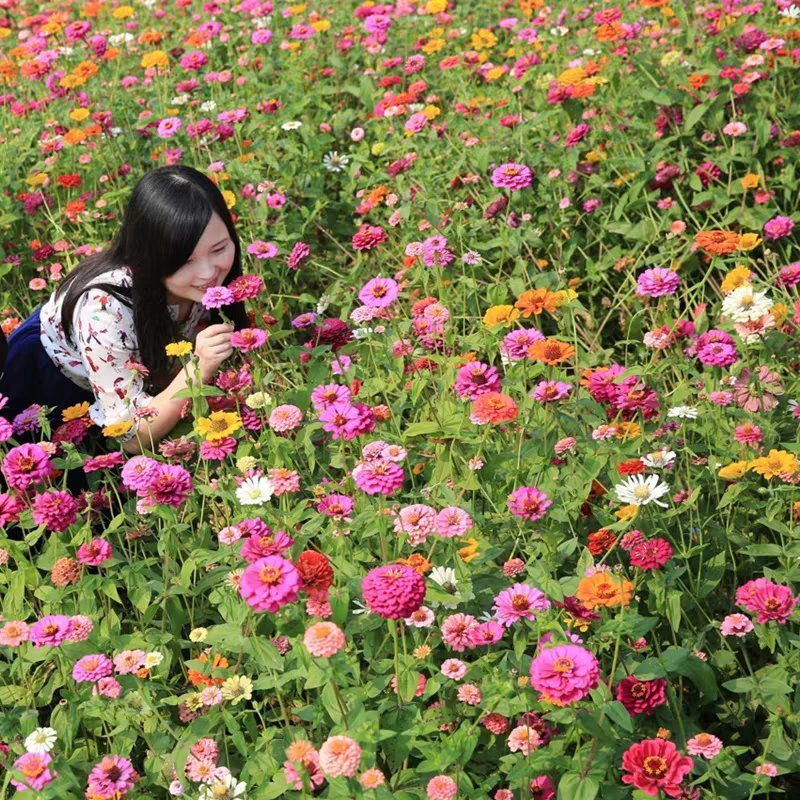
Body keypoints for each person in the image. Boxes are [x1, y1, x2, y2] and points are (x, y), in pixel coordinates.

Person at [0, 165, 249, 455]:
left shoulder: (211, 284)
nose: (209, 273)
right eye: (185, 260)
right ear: (147, 254)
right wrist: (197, 370)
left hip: (140, 372)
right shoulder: (103, 309)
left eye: (219, 249)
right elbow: (131, 437)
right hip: (54, 385)